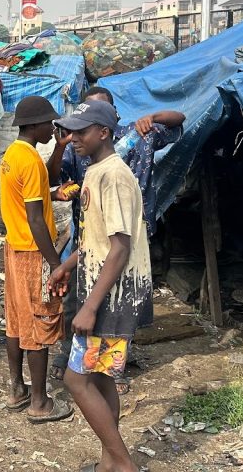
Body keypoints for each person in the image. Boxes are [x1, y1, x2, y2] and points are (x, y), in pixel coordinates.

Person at [47, 85, 185, 381]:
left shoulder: (132, 146)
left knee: (111, 308)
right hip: (91, 236)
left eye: (85, 126)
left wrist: (153, 116)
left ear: (107, 126)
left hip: (121, 239)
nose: (77, 135)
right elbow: (55, 178)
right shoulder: (84, 152)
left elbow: (179, 120)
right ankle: (92, 359)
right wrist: (66, 266)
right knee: (81, 302)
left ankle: (110, 365)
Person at [49, 100, 148, 472]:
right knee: (102, 376)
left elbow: (121, 247)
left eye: (81, 131)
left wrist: (90, 305)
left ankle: (123, 465)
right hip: (100, 287)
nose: (72, 138)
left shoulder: (114, 176)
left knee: (76, 380)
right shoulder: (94, 171)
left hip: (111, 296)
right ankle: (110, 462)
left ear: (103, 132)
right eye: (71, 130)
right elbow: (95, 241)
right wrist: (66, 266)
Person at [0, 95, 72, 423]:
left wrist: (55, 190)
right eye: (48, 122)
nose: (52, 127)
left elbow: (36, 194)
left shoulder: (15, 154)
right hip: (33, 252)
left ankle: (17, 390)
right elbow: (36, 219)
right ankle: (40, 403)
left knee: (16, 322)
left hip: (15, 248)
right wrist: (56, 263)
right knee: (40, 323)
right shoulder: (27, 160)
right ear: (32, 125)